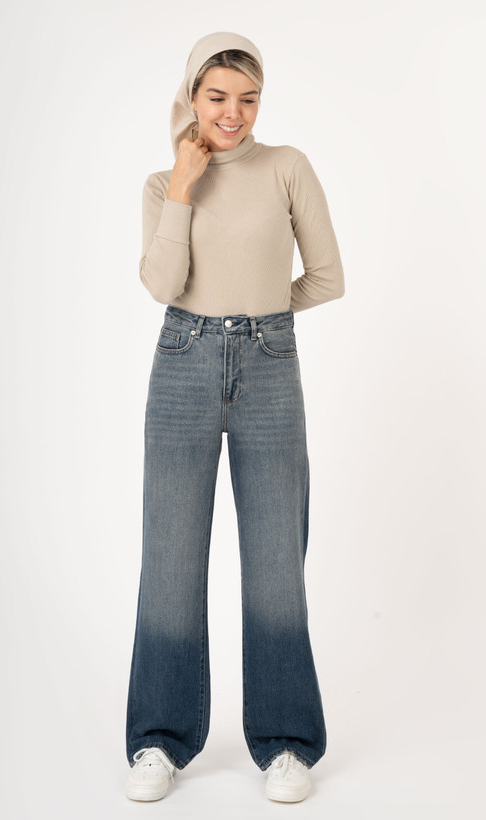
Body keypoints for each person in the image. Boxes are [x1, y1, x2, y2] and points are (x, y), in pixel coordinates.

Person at [124, 31, 345, 804]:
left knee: (276, 563)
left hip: (269, 363)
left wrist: (259, 318)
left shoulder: (286, 167)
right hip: (181, 360)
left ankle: (285, 744)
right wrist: (185, 185)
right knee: (170, 560)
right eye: (216, 96)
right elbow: (162, 283)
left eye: (247, 99)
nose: (232, 113)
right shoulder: (163, 182)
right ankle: (158, 739)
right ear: (190, 96)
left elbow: (327, 277)